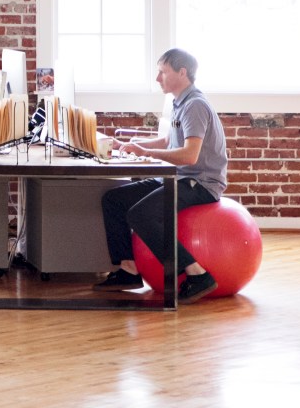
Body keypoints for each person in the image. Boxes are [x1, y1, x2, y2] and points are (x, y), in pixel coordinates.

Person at [95, 47, 227, 303]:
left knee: (141, 214)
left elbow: (190, 155)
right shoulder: (179, 102)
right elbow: (169, 140)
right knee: (114, 199)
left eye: (162, 72)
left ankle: (198, 274)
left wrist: (146, 152)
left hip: (201, 183)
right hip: (181, 176)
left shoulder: (195, 105)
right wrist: (136, 144)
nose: (157, 79)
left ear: (182, 72)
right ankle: (128, 270)